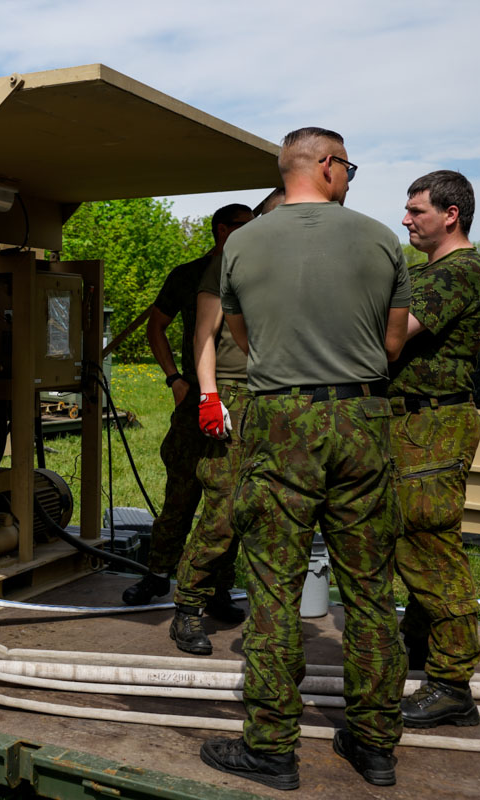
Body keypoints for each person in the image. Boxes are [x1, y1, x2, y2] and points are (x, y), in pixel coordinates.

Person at [198, 127, 410, 791]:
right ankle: (375, 745)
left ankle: (271, 748)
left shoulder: (241, 244)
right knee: (370, 590)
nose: (350, 175)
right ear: (322, 164)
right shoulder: (380, 238)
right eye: (346, 165)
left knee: (272, 589)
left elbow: (241, 335)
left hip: (277, 418)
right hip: (360, 417)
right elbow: (392, 342)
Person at [390, 170, 480, 728]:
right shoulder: (432, 271)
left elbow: (395, 332)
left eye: (417, 210)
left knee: (431, 549)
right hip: (416, 425)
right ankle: (422, 651)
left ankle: (452, 685)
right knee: (413, 543)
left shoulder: (457, 274)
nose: (406, 219)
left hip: (431, 427)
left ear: (450, 214)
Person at [123, 204, 254, 614]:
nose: (252, 234)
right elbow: (155, 326)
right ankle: (157, 575)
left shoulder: (257, 273)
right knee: (179, 494)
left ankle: (216, 588)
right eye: (242, 227)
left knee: (226, 498)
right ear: (221, 230)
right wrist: (174, 379)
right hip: (195, 398)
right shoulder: (188, 274)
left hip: (239, 399)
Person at [168, 198, 271, 655]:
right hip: (234, 394)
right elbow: (201, 334)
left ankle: (231, 595)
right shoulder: (226, 264)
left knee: (268, 513)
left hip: (283, 399)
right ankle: (188, 604)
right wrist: (205, 393)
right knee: (222, 506)